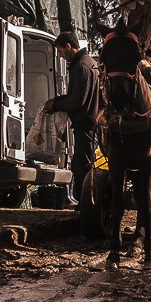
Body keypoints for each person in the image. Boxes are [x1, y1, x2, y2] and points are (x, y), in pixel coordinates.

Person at [47, 29, 100, 204]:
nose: (61, 56)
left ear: (68, 46)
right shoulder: (88, 63)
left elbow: (77, 100)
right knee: (83, 164)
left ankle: (87, 204)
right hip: (88, 124)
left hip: (85, 125)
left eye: (61, 51)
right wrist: (58, 100)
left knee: (83, 166)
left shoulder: (82, 66)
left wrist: (56, 105)